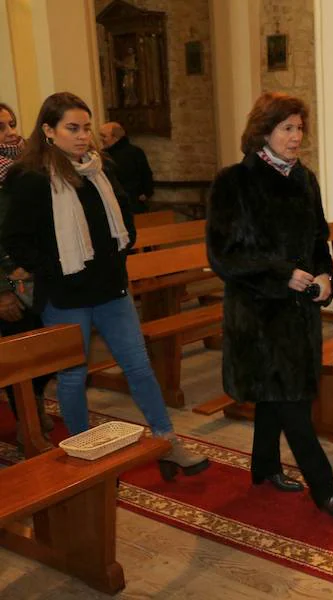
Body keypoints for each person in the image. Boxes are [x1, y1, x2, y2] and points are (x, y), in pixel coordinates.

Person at [1, 92, 209, 480]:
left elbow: (125, 219)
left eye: (85, 128)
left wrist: (121, 247)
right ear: (48, 130)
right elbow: (15, 239)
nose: (82, 137)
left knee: (139, 368)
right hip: (66, 296)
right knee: (73, 376)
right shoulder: (29, 179)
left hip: (112, 290)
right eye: (72, 128)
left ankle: (167, 442)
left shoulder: (100, 169)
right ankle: (86, 460)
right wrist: (55, 268)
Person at [206, 92, 333, 517]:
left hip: (300, 311)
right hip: (258, 313)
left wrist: (328, 277)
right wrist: (280, 273)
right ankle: (324, 488)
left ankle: (264, 467)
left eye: (299, 128)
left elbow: (317, 241)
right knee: (291, 399)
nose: (296, 137)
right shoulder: (234, 181)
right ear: (263, 131)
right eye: (287, 128)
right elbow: (223, 255)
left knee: (279, 391)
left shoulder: (305, 179)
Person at [0, 101, 54, 444]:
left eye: (11, 124)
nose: (11, 133)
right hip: (5, 282)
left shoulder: (23, 173)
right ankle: (27, 422)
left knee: (45, 348)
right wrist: (1, 291)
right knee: (19, 353)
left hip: (34, 276)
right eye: (1, 128)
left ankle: (33, 403)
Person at [99, 121, 154, 214]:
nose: (101, 139)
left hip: (133, 202)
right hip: (112, 202)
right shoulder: (103, 155)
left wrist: (146, 193)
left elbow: (146, 174)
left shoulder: (135, 152)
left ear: (115, 137)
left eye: (104, 136)